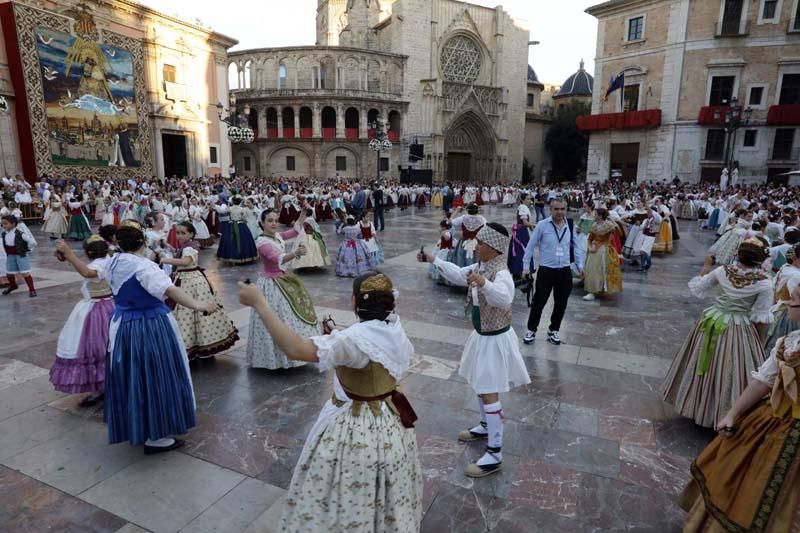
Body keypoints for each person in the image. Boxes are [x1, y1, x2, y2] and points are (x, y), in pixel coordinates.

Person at [238, 271, 422, 531]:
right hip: (389, 421)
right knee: (386, 489)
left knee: (346, 491)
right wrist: (337, 333)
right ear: (391, 303)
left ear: (354, 300)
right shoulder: (394, 328)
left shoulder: (350, 341)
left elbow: (295, 349)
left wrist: (259, 302)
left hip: (356, 428)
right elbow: (368, 344)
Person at [420, 223, 530, 477]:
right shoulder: (481, 267)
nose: (476, 246)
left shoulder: (499, 272)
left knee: (489, 390)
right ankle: (484, 425)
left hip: (495, 339)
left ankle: (495, 453)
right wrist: (433, 259)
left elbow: (504, 298)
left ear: (493, 248)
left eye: (480, 243)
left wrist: (484, 284)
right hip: (482, 335)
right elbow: (459, 274)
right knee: (481, 385)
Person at [102, 220, 217, 453]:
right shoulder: (144, 267)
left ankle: (136, 424)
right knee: (158, 374)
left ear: (119, 243)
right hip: (150, 325)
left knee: (134, 375)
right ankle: (157, 435)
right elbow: (170, 290)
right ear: (143, 243)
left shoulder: (113, 262)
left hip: (124, 325)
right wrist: (200, 304)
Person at [677, 329, 800, 531]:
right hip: (770, 421)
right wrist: (732, 414)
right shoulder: (790, 340)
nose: (789, 295)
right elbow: (764, 381)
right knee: (737, 480)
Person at [662, 238, 773, 428]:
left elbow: (701, 285)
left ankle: (696, 404)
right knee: (732, 368)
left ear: (739, 254)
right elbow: (760, 319)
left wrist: (706, 265)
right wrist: (760, 342)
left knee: (701, 363)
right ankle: (722, 413)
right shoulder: (764, 283)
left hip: (712, 321)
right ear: (761, 260)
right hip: (740, 328)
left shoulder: (723, 271)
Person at [246, 208, 319, 370]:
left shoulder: (276, 236)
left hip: (283, 278)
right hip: (271, 283)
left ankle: (294, 352)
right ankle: (276, 358)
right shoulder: (262, 242)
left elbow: (293, 231)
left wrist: (301, 214)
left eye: (275, 220)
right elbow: (275, 259)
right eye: (270, 221)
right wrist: (296, 253)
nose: (274, 223)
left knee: (289, 315)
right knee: (278, 316)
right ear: (262, 223)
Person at [159, 221, 239, 360]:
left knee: (188, 310)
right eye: (178, 233)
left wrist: (165, 260)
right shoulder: (187, 245)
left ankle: (195, 344)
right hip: (187, 279)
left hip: (191, 281)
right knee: (187, 311)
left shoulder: (190, 247)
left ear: (191, 234)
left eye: (183, 233)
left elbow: (185, 262)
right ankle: (194, 344)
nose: (179, 235)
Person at [50, 236, 114, 406]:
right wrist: (68, 258)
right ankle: (108, 382)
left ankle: (103, 385)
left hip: (97, 309)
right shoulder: (110, 259)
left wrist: (69, 254)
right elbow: (85, 269)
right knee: (107, 346)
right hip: (110, 306)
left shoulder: (98, 265)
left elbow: (88, 272)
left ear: (87, 252)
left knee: (95, 347)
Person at [521, 197, 584, 345]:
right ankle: (531, 329)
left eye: (562, 209)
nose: (559, 212)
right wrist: (525, 267)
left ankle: (554, 329)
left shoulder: (570, 225)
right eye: (556, 209)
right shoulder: (542, 225)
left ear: (566, 209)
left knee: (561, 302)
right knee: (539, 302)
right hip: (546, 270)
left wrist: (580, 266)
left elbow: (576, 246)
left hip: (564, 270)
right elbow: (530, 246)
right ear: (551, 209)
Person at [763, 244, 800, 355]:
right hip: (790, 313)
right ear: (795, 258)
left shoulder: (785, 267)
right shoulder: (796, 275)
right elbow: (796, 297)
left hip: (778, 309)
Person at [582, 208, 623, 301]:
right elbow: (590, 238)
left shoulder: (608, 225)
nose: (594, 216)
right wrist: (590, 247)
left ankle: (602, 288)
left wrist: (613, 222)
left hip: (605, 249)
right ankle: (592, 291)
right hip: (594, 250)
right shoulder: (594, 225)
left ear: (600, 216)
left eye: (595, 214)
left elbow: (619, 233)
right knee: (592, 270)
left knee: (602, 270)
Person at [1, 214, 37, 297]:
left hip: (20, 255)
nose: (3, 226)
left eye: (6, 224)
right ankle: (13, 285)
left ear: (13, 224)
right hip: (10, 256)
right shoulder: (4, 234)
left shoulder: (20, 234)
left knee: (25, 273)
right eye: (2, 224)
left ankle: (32, 290)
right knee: (9, 273)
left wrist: (26, 249)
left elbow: (33, 242)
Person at [216, 196, 258, 265]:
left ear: (232, 202)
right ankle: (242, 256)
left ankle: (230, 256)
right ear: (240, 201)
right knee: (244, 241)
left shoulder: (230, 208)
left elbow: (222, 212)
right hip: (241, 225)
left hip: (231, 225)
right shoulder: (242, 209)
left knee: (229, 240)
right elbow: (244, 218)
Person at [507, 193, 534, 280]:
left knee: (520, 251)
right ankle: (521, 270)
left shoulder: (523, 207)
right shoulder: (523, 207)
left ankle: (518, 271)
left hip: (520, 231)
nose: (529, 201)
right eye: (527, 199)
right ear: (522, 200)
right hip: (521, 232)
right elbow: (525, 223)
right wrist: (534, 225)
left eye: (530, 199)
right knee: (522, 251)